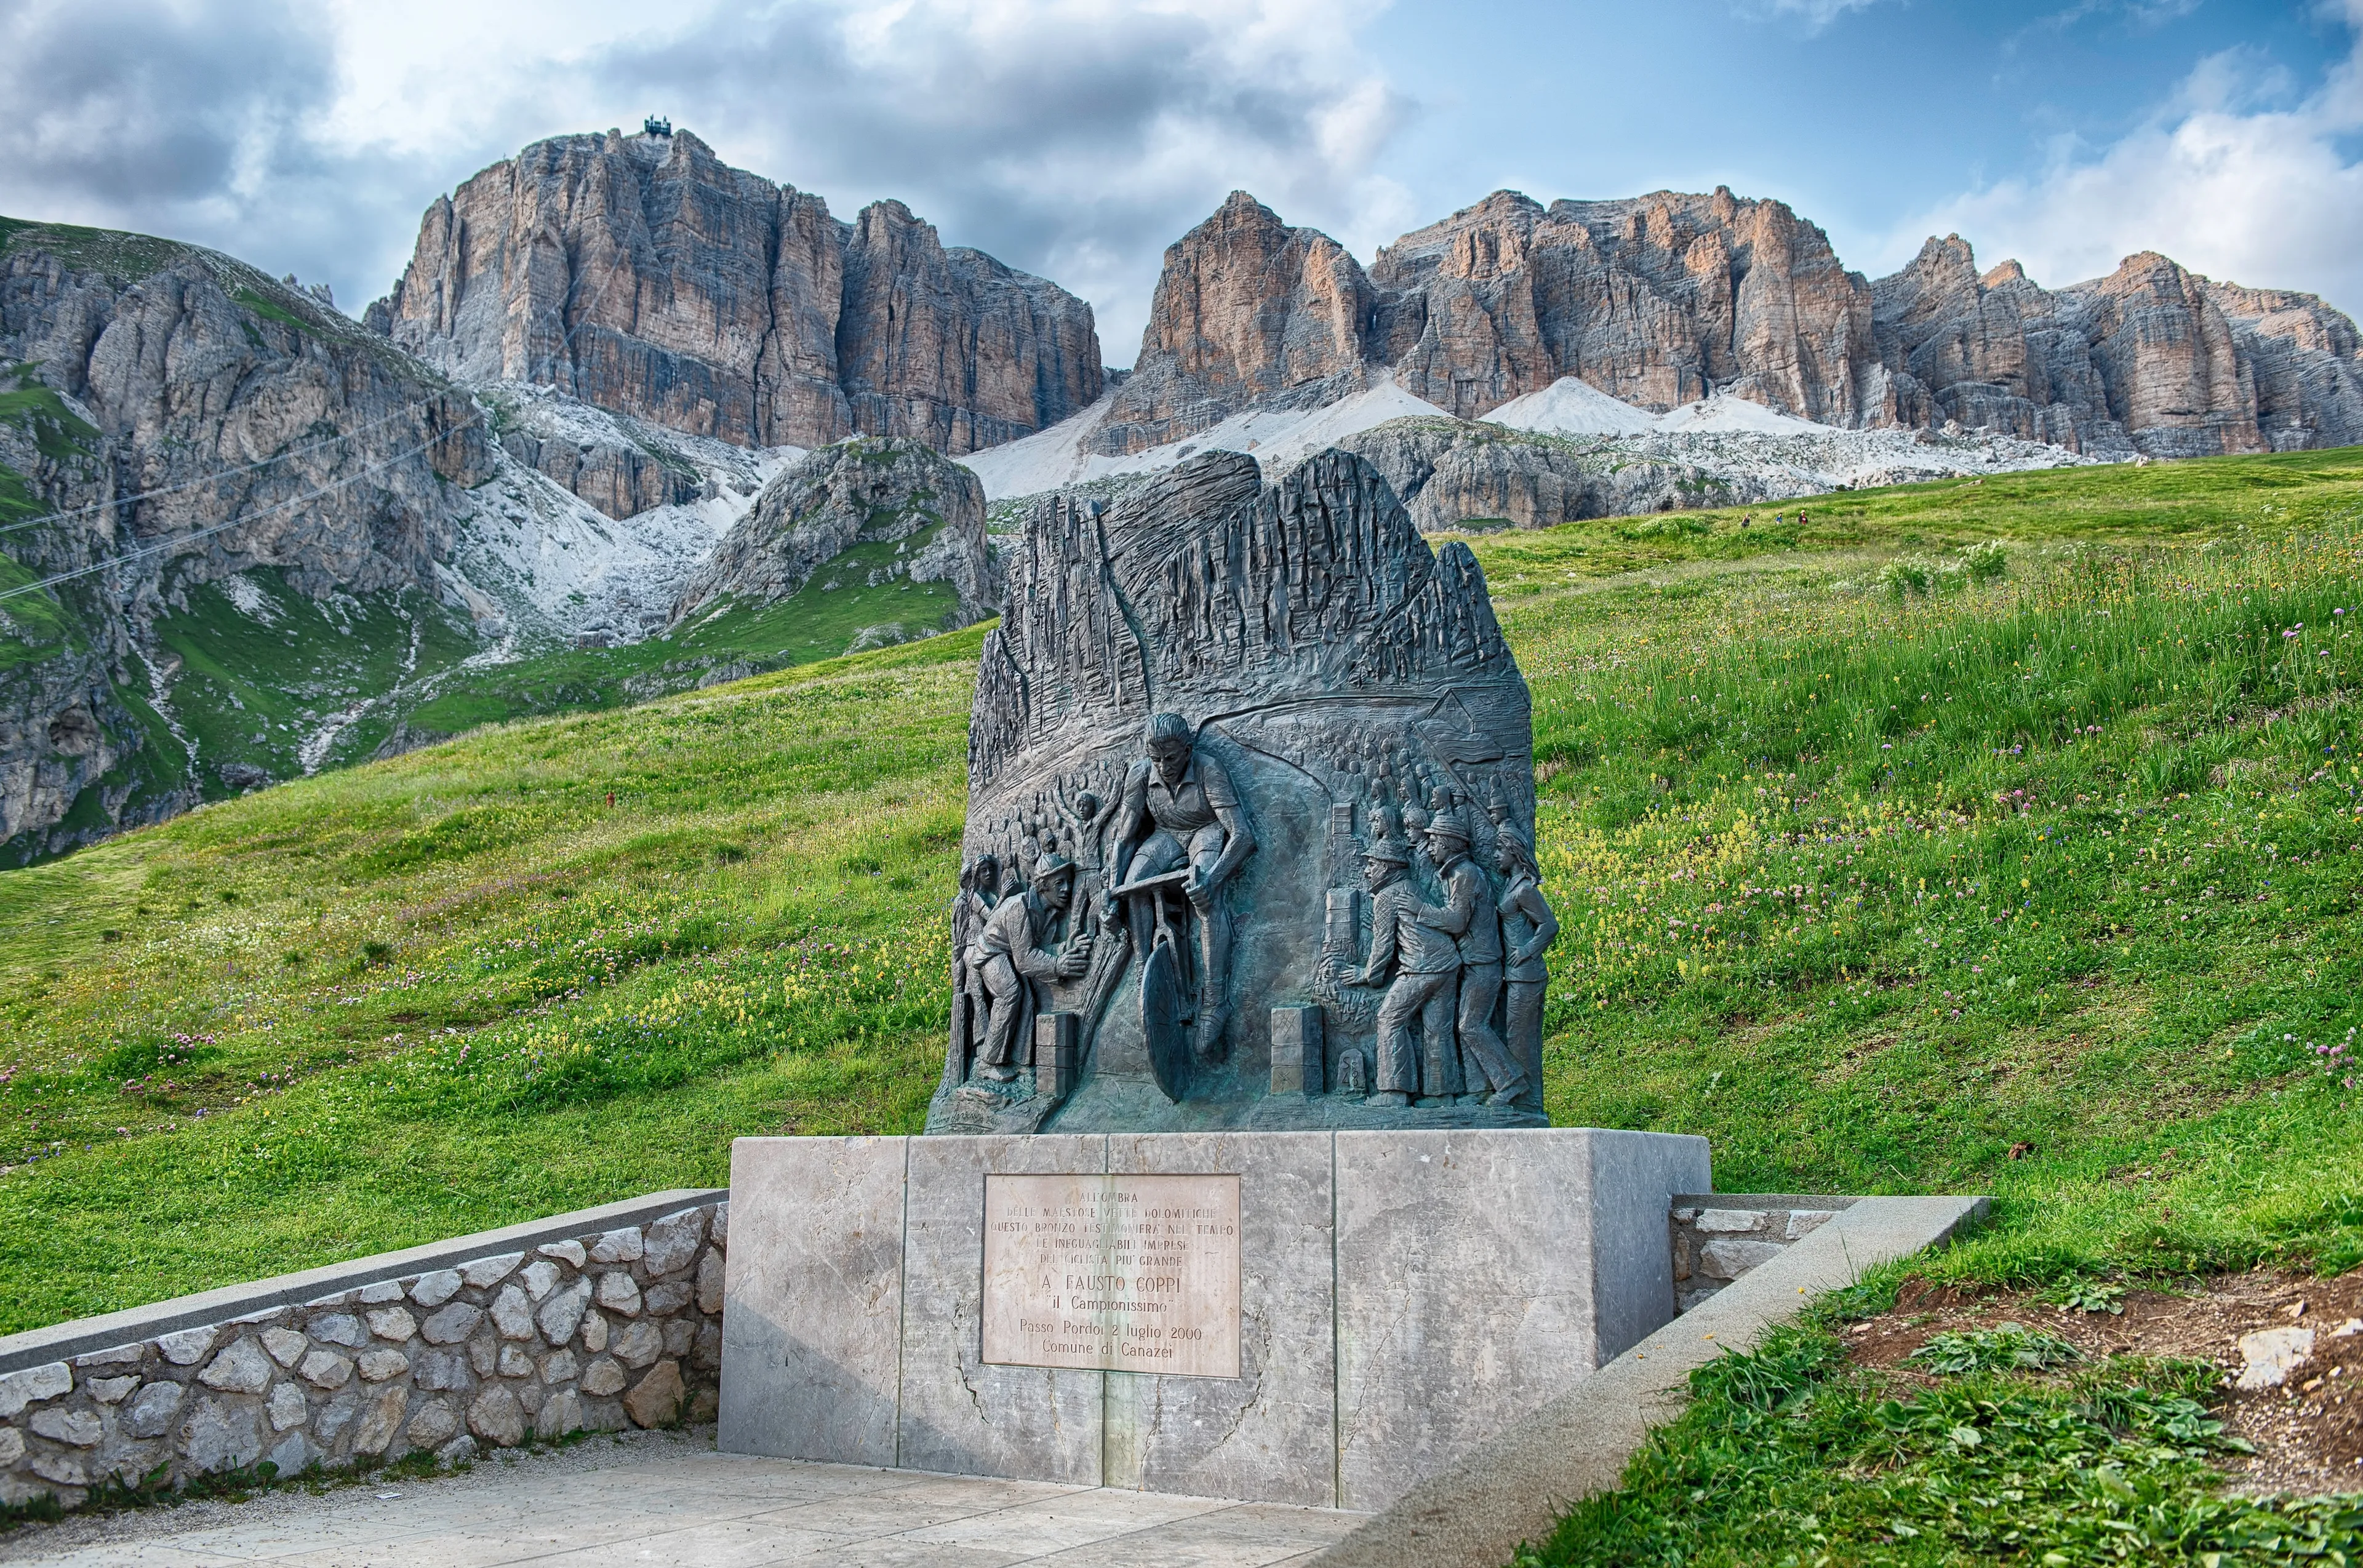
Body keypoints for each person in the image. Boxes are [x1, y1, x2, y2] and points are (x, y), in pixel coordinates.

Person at [1111, 713, 1256, 1059]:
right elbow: (1124, 839)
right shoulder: (1141, 775)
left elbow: (1243, 836)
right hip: (1166, 837)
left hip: (1205, 831)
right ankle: (1145, 973)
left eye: (1171, 757)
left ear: (1188, 750)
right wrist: (1112, 889)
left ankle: (1215, 1000)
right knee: (1134, 885)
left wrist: (1214, 878)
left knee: (1205, 894)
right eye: (1155, 757)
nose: (1163, 765)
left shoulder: (1209, 770)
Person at [1414, 810, 1525, 1106]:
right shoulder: (1455, 873)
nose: (1430, 848)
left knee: (1471, 1025)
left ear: (1449, 844)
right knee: (1465, 1026)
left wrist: (1420, 910)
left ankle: (1511, 1080)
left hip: (1483, 963)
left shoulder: (1465, 875)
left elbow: (1456, 922)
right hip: (1472, 961)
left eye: (1435, 842)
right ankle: (1478, 1091)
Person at [1354, 836, 1459, 1107]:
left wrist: (1369, 975)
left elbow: (1383, 946)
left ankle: (1394, 1092)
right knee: (1438, 1030)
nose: (1367, 870)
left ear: (1388, 868)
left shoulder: (1386, 897)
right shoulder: (1411, 886)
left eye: (1372, 864)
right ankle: (1441, 1095)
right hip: (1448, 965)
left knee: (1389, 1019)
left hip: (1421, 968)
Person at [972, 854, 1090, 1082]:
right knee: (1010, 992)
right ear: (1043, 885)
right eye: (1060, 883)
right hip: (990, 952)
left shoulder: (1049, 913)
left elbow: (1041, 948)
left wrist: (1068, 946)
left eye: (1068, 882)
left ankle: (1019, 1059)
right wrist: (1058, 965)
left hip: (1009, 953)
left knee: (1027, 999)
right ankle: (987, 1063)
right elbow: (1025, 960)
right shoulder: (1019, 908)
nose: (1067, 889)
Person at [1493, 828, 1559, 1109]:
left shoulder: (1524, 890)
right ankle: (1525, 1098)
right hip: (1514, 975)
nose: (1496, 856)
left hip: (1528, 976)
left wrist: (1527, 950)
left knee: (1521, 1037)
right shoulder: (1511, 885)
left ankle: (1528, 1102)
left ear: (1514, 853)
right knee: (1515, 1034)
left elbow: (1550, 925)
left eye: (1500, 850)